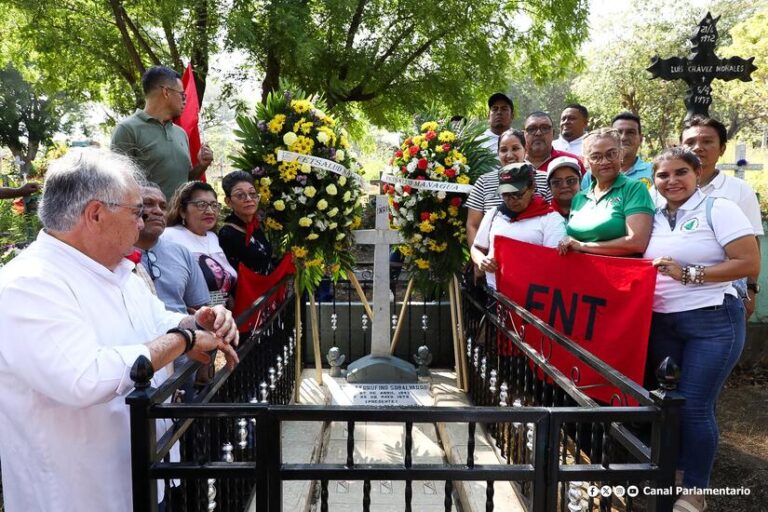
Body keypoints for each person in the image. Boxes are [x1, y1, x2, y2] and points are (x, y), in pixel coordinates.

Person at [0, 149, 239, 512]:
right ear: (95, 214)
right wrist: (184, 340)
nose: (142, 223)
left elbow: (159, 322)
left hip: (142, 479)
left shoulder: (116, 272)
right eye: (135, 212)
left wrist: (199, 321)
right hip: (79, 496)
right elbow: (85, 377)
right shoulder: (28, 283)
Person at [644, 147, 760, 512]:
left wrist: (690, 274)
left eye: (681, 172)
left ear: (697, 174)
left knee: (695, 406)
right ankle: (674, 475)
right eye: (663, 175)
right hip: (663, 322)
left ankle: (696, 489)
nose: (672, 181)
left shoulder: (718, 208)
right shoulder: (652, 215)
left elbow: (748, 261)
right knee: (667, 405)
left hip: (712, 321)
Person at [670, 116, 763, 318]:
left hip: (721, 298)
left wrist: (751, 289)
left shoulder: (739, 190)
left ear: (721, 148)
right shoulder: (663, 189)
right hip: (667, 297)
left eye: (707, 142)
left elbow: (753, 244)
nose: (698, 148)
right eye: (690, 142)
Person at [111, 65, 213, 200]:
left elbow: (185, 180)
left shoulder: (180, 133)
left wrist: (202, 165)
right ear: (166, 92)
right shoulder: (127, 129)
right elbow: (119, 185)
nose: (185, 100)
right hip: (148, 219)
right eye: (182, 94)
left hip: (180, 218)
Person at [559, 128, 654, 256]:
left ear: (621, 154)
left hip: (618, 272)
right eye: (596, 157)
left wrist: (583, 246)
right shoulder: (579, 197)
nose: (604, 162)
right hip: (581, 272)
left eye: (611, 154)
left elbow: (636, 243)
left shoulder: (634, 189)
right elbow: (571, 238)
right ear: (586, 161)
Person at [471, 163, 566, 290]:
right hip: (496, 295)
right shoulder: (494, 214)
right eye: (505, 194)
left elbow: (554, 264)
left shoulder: (550, 219)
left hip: (531, 297)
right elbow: (476, 248)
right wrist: (481, 260)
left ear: (532, 187)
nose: (511, 200)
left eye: (517, 193)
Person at [136, 183, 209, 313]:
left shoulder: (181, 253)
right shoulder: (115, 254)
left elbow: (200, 308)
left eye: (163, 207)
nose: (158, 211)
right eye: (148, 203)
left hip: (183, 330)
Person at [163, 181, 237, 306]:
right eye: (201, 204)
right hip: (193, 321)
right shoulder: (169, 236)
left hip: (222, 318)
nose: (210, 211)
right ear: (182, 211)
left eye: (214, 205)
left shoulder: (213, 237)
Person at [466, 128, 526, 247]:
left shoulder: (542, 179)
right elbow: (473, 225)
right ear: (498, 153)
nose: (509, 155)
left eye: (515, 148)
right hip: (492, 259)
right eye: (503, 150)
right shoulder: (484, 182)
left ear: (526, 150)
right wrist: (479, 258)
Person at [218, 171, 274, 274]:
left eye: (252, 194)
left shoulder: (257, 225)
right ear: (228, 202)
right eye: (240, 195)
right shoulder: (227, 234)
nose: (248, 199)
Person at [581, 111, 653, 190]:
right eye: (618, 133)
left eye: (630, 132)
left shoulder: (653, 171)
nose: (623, 138)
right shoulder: (592, 175)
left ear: (641, 139)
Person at [523, 111, 586, 202]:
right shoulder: (515, 162)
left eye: (545, 128)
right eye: (532, 129)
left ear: (553, 133)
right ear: (523, 134)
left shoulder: (571, 161)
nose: (538, 133)